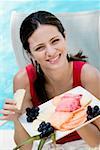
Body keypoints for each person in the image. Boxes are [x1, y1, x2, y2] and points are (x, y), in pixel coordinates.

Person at [0, 11, 100, 150]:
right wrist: (16, 119)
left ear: (64, 37)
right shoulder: (23, 81)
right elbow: (25, 147)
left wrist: (74, 117)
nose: (51, 52)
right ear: (30, 54)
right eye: (40, 47)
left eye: (55, 41)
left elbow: (97, 143)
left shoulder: (89, 76)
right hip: (47, 145)